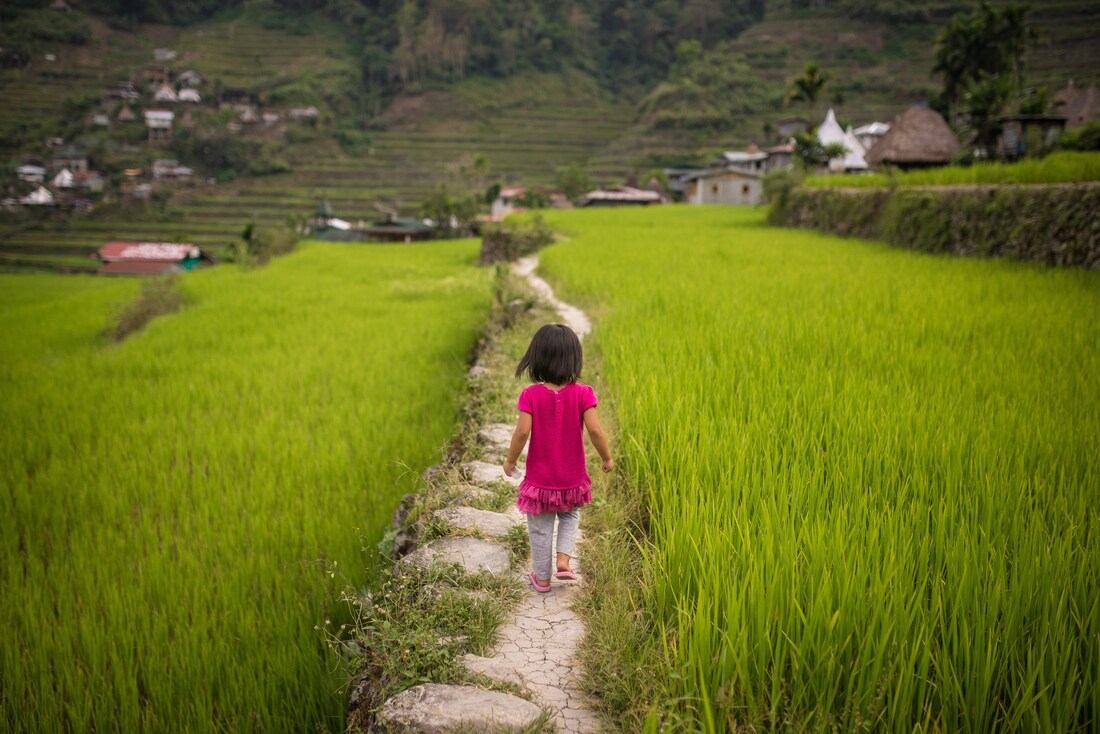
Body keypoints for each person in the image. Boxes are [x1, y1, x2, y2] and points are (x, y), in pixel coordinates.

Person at [503, 323, 613, 593]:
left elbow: (522, 432)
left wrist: (510, 461)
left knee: (540, 528)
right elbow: (596, 430)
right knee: (569, 516)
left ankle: (542, 579)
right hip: (572, 477)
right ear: (574, 358)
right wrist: (607, 458)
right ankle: (563, 561)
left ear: (537, 357)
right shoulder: (583, 393)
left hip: (540, 480)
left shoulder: (530, 395)